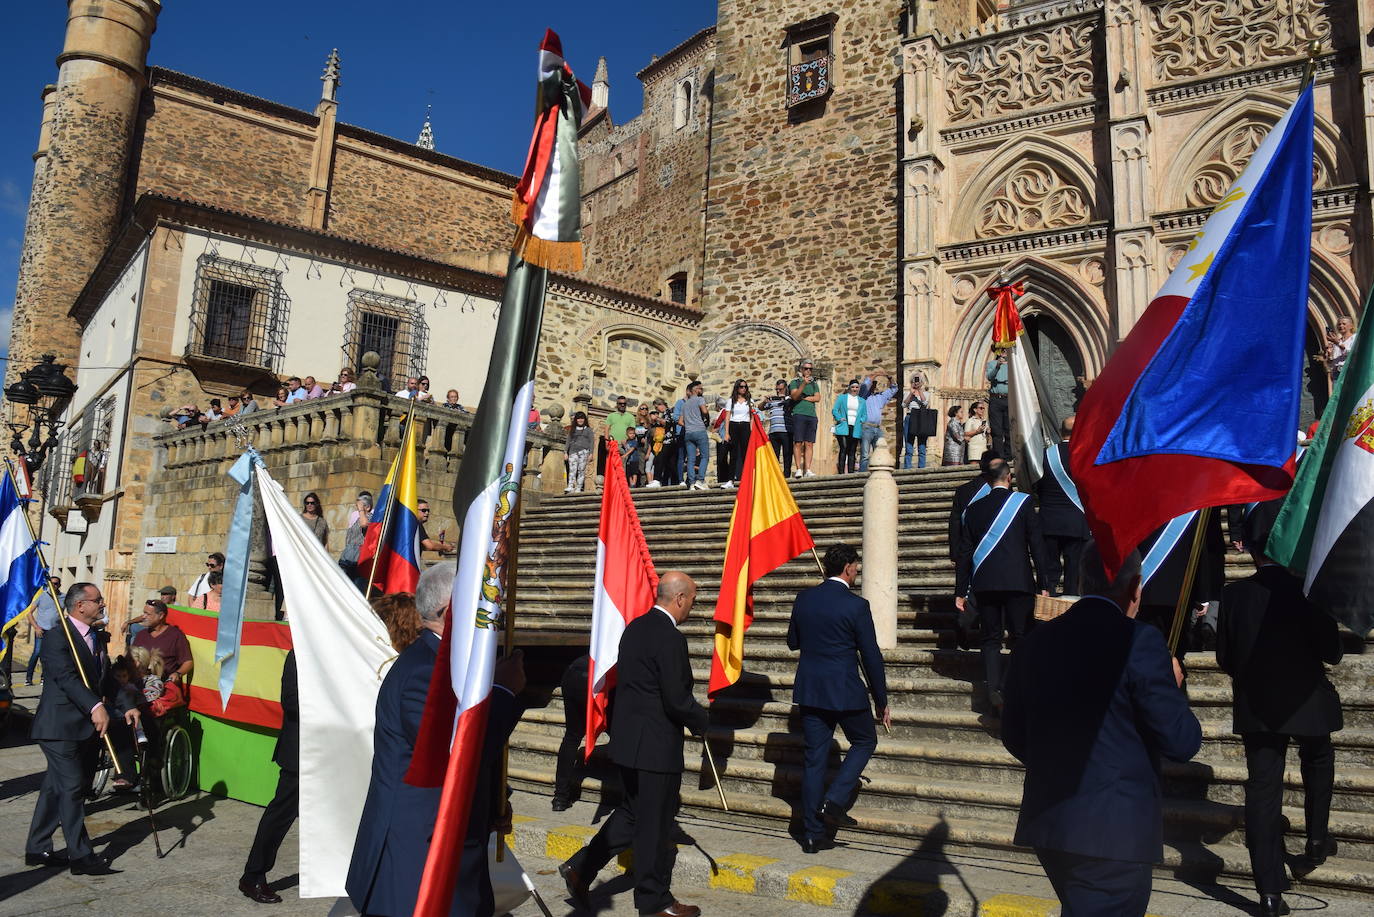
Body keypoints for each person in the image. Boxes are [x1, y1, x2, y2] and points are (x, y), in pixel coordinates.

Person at [1002, 544, 1202, 917]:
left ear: (1080, 581)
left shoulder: (1034, 643)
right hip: (1113, 831)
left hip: (1051, 821)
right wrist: (1175, 687)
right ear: (1135, 588)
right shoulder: (1139, 640)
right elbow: (1182, 740)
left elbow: (1014, 734)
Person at [346, 563, 526, 917]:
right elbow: (452, 754)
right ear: (449, 611)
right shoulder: (426, 670)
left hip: (447, 845)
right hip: (417, 853)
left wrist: (492, 804)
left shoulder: (444, 663)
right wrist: (505, 692)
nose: (492, 616)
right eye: (481, 606)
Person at [1217, 501, 1343, 917]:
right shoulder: (1309, 592)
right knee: (1319, 762)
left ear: (1251, 548)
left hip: (1258, 706)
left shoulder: (1234, 595)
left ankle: (1268, 892)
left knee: (1263, 790)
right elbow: (1333, 652)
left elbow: (1224, 658)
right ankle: (1316, 838)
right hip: (1308, 700)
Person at [559, 572, 710, 917]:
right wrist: (702, 722)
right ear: (680, 598)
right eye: (692, 601)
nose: (691, 608)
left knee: (630, 813)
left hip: (629, 743)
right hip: (656, 747)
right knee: (654, 825)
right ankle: (654, 901)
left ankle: (581, 867)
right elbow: (676, 698)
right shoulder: (670, 638)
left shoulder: (635, 628)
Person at [26, 582, 135, 875]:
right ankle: (81, 856)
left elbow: (107, 679)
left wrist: (126, 705)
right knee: (73, 788)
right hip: (58, 726)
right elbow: (66, 677)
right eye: (97, 600)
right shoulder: (56, 637)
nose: (102, 604)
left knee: (54, 788)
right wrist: (95, 706)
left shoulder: (95, 637)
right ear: (80, 606)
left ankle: (37, 847)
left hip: (83, 727)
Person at [788, 544, 890, 854]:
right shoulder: (856, 605)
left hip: (811, 690)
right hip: (845, 690)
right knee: (865, 741)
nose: (857, 570)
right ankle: (834, 801)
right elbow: (871, 655)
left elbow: (793, 642)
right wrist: (881, 699)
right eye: (856, 565)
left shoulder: (804, 599)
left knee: (814, 761)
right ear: (847, 568)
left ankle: (811, 835)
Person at [954, 461, 1048, 710]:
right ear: (1009, 478)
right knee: (1021, 636)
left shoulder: (973, 510)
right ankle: (1006, 686)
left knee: (990, 638)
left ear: (987, 480)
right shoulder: (1024, 502)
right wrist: (1045, 582)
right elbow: (1037, 545)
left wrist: (960, 591)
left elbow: (964, 553)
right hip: (1019, 582)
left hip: (985, 583)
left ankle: (993, 687)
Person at [240, 650, 299, 904]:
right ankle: (253, 875)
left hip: (332, 750)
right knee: (280, 815)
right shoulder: (300, 654)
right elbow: (291, 701)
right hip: (300, 751)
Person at [1035, 416, 1088, 596]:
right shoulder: (1086, 456)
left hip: (1049, 520)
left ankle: (1046, 608)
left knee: (1049, 571)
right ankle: (1071, 608)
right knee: (1074, 572)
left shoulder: (1045, 455)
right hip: (1076, 522)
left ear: (1060, 432)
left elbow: (1037, 486)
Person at [552, 653, 591, 811]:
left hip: (574, 671)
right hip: (598, 675)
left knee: (572, 736)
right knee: (619, 734)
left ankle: (560, 798)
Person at [132, 600, 194, 685]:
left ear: (161, 615)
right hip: (141, 685)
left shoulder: (176, 635)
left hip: (166, 687)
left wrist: (178, 674)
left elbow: (188, 662)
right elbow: (131, 658)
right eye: (144, 613)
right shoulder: (141, 635)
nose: (143, 616)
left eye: (148, 614)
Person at [25, 576, 62, 686]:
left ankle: (44, 677)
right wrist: (36, 627)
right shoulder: (42, 596)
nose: (54, 585)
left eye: (56, 583)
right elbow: (29, 613)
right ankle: (28, 678)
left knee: (50, 655)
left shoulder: (63, 597)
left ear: (59, 585)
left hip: (54, 632)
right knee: (37, 653)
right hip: (41, 630)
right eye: (52, 583)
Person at [857, 373, 898, 471]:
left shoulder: (880, 397)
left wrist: (890, 377)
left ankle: (879, 472)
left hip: (877, 428)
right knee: (865, 454)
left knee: (880, 451)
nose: (873, 385)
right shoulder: (862, 396)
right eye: (872, 384)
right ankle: (862, 474)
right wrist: (876, 374)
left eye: (874, 384)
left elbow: (894, 389)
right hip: (866, 427)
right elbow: (865, 384)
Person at [789, 361, 823, 477]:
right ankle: (799, 469)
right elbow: (794, 396)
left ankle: (807, 469)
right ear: (801, 370)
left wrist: (804, 397)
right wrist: (803, 384)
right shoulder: (795, 382)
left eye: (810, 369)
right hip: (799, 414)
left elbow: (818, 398)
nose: (808, 371)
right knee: (798, 442)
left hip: (811, 415)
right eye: (806, 369)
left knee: (809, 443)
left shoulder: (814, 384)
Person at [722, 379, 757, 488]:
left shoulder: (750, 401)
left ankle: (748, 478)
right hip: (734, 425)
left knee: (745, 453)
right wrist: (726, 433)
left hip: (745, 426)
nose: (743, 389)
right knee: (733, 454)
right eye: (741, 386)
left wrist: (751, 430)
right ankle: (731, 480)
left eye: (745, 387)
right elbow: (727, 417)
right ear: (737, 388)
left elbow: (752, 418)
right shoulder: (731, 401)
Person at [679, 381, 711, 491]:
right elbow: (704, 411)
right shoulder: (700, 399)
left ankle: (692, 483)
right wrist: (706, 413)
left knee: (691, 459)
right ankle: (700, 480)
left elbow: (680, 421)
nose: (701, 390)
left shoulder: (684, 404)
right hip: (699, 431)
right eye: (699, 388)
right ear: (694, 390)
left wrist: (689, 425)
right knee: (704, 456)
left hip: (688, 433)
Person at [831, 379, 866, 474]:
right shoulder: (842, 398)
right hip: (844, 426)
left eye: (857, 387)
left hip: (855, 427)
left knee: (852, 450)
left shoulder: (862, 401)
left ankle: (851, 472)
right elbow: (835, 410)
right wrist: (839, 418)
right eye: (853, 387)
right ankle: (841, 472)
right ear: (849, 388)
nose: (855, 389)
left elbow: (864, 415)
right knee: (844, 447)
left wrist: (861, 421)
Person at [339, 491, 373, 588]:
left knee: (357, 587)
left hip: (359, 559)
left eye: (360, 506)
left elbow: (364, 524)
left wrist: (362, 510)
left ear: (368, 507)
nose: (357, 508)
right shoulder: (356, 516)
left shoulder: (369, 516)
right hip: (348, 556)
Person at [600, 395, 637, 481]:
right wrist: (606, 443)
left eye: (624, 403)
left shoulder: (630, 417)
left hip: (625, 445)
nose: (622, 405)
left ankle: (621, 483)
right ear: (617, 404)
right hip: (613, 444)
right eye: (620, 403)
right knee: (612, 464)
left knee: (623, 465)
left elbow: (632, 432)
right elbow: (606, 430)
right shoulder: (611, 416)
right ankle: (612, 483)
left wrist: (627, 441)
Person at [761, 379, 794, 477]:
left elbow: (792, 404)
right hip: (773, 432)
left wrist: (784, 398)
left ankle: (787, 475)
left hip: (786, 431)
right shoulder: (773, 400)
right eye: (777, 389)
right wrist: (765, 401)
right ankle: (775, 475)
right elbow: (760, 407)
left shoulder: (789, 399)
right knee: (774, 455)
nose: (778, 391)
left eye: (780, 389)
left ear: (785, 389)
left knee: (787, 454)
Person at [901, 374, 934, 470]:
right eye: (914, 381)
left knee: (922, 444)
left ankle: (921, 467)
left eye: (918, 380)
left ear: (922, 382)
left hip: (921, 418)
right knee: (909, 443)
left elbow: (925, 403)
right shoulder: (908, 393)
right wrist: (911, 394)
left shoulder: (926, 394)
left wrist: (919, 390)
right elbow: (903, 405)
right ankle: (907, 467)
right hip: (910, 416)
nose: (916, 382)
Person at [986, 347, 1011, 458]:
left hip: (1009, 399)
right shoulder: (992, 364)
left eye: (1005, 350)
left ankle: (1009, 454)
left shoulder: (1012, 365)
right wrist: (997, 366)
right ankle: (999, 456)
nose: (1004, 352)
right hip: (996, 400)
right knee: (996, 430)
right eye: (1001, 350)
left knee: (1009, 429)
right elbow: (989, 377)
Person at [565, 411, 593, 493]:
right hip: (573, 452)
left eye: (582, 418)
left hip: (584, 452)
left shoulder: (588, 430)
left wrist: (591, 453)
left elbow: (592, 442)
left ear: (585, 420)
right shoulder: (572, 430)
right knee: (572, 470)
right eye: (578, 418)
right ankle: (570, 486)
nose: (580, 420)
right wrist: (565, 452)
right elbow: (568, 441)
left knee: (581, 470)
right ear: (576, 420)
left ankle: (578, 487)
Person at [1325, 315, 1357, 382]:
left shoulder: (1355, 338)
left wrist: (1338, 343)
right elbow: (1331, 363)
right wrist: (1330, 354)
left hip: (1348, 372)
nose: (1341, 326)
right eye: (1339, 324)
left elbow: (1351, 353)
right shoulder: (1337, 341)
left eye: (1344, 324)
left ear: (1351, 326)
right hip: (1336, 373)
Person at [964, 400, 990, 465]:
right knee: (973, 467)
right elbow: (965, 433)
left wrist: (988, 432)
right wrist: (977, 431)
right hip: (974, 447)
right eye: (981, 408)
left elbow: (986, 435)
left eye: (983, 408)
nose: (983, 410)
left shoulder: (984, 421)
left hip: (983, 447)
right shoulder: (970, 421)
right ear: (975, 410)